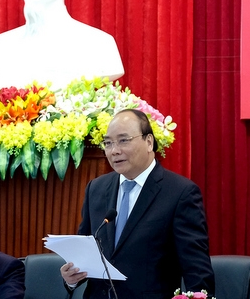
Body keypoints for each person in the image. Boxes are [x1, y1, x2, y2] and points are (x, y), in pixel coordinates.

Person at [60, 109, 215, 299]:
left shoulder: (180, 193)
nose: (114, 150)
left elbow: (197, 272)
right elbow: (84, 253)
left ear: (149, 142)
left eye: (123, 140)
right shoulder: (96, 189)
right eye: (108, 143)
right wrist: (72, 277)